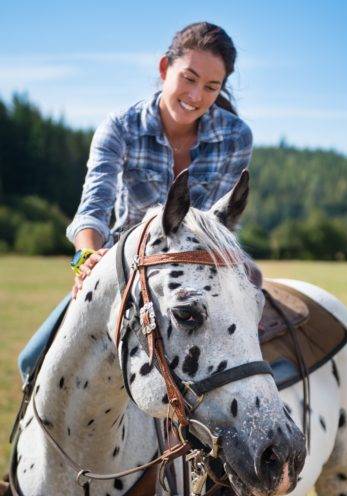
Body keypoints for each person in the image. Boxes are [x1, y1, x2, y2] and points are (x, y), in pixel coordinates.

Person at [18, 21, 255, 382]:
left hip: (194, 271)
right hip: (123, 266)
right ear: (164, 69)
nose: (196, 95)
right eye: (188, 79)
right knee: (31, 361)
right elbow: (93, 207)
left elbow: (217, 224)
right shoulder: (120, 127)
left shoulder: (236, 136)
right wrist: (85, 257)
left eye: (211, 87)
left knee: (249, 359)